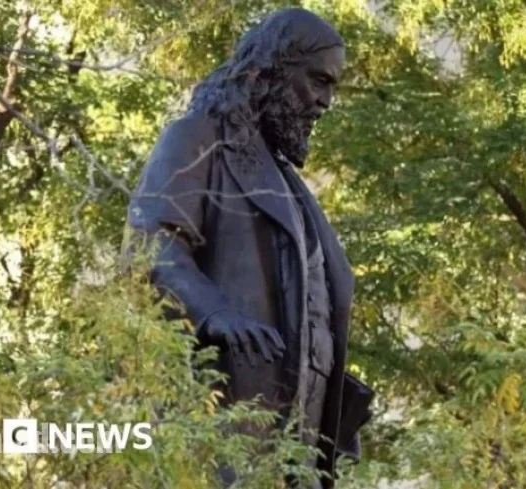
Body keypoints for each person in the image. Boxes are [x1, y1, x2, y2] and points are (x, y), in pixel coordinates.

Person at [123, 7, 370, 488]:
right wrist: (213, 311)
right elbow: (152, 244)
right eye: (318, 81)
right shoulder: (198, 140)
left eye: (332, 87)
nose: (325, 101)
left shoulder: (291, 186)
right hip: (224, 417)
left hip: (297, 447)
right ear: (274, 70)